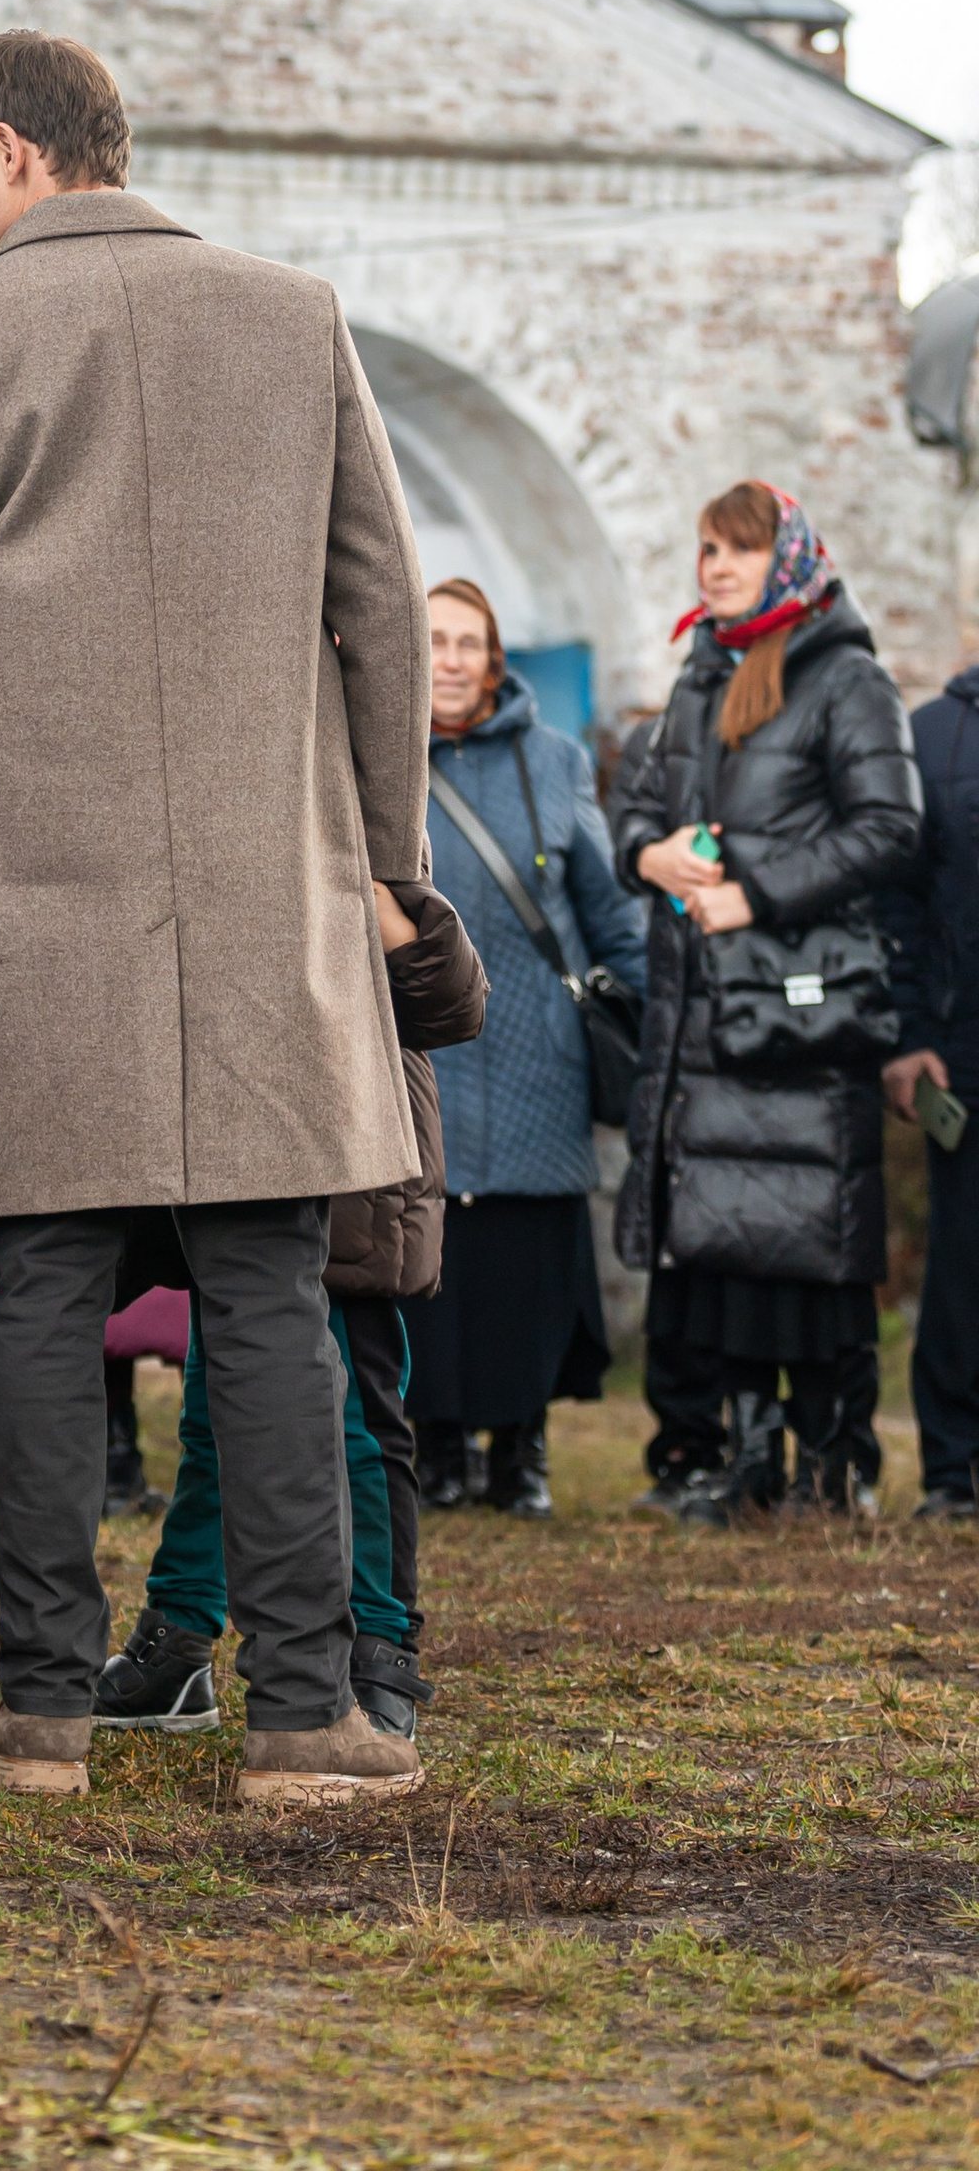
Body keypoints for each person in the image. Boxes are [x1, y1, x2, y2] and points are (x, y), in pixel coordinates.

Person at [0, 24, 434, 1808]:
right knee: (271, 1297)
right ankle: (301, 1719)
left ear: (19, 150)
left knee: (44, 1292)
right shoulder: (296, 319)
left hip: (27, 900)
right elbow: (377, 605)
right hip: (261, 897)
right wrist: (386, 871)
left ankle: (45, 1712)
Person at [100, 876, 485, 1746]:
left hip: (352, 1141)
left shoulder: (369, 816)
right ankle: (181, 1635)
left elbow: (455, 999)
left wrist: (383, 895)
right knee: (218, 1408)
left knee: (358, 1427)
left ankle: (379, 1646)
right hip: (236, 1129)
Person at [614, 482, 920, 1524]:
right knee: (726, 1234)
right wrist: (645, 854)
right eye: (704, 548)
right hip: (703, 1009)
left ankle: (834, 1466)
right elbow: (643, 805)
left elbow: (890, 828)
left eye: (736, 548)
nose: (714, 566)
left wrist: (757, 890)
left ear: (786, 557)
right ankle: (742, 1463)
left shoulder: (847, 678)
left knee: (809, 1235)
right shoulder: (700, 675)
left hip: (800, 1006)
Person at [406, 578, 645, 1521]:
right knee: (433, 1246)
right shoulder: (371, 751)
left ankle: (522, 1449)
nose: (453, 659)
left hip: (537, 1041)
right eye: (435, 641)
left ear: (495, 658)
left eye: (470, 642)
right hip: (421, 1037)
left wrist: (640, 1000)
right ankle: (441, 1449)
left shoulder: (553, 759)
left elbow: (603, 902)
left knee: (528, 1250)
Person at [881, 656, 979, 1519]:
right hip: (965, 1050)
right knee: (963, 1266)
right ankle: (953, 1471)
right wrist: (910, 1038)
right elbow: (903, 906)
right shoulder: (935, 735)